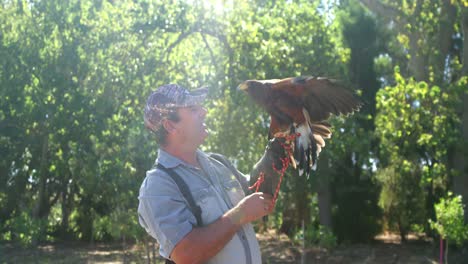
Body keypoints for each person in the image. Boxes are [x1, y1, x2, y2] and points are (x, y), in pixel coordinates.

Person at [138, 84, 276, 264]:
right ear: (170, 125)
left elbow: (257, 196)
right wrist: (240, 214)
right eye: (193, 109)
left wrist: (275, 151)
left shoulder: (219, 163)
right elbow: (186, 253)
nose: (204, 111)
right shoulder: (158, 185)